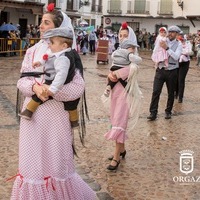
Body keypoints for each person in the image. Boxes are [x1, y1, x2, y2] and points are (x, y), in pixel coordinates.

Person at [10, 3, 96, 199]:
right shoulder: (32, 51)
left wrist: (52, 91)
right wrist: (35, 88)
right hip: (33, 119)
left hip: (57, 118)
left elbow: (77, 88)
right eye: (41, 22)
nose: (40, 26)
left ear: (58, 28)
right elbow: (22, 80)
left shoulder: (69, 54)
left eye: (46, 22)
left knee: (57, 164)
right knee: (32, 164)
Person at [18, 27, 79, 128]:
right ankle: (28, 111)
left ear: (63, 46)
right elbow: (47, 56)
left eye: (52, 43)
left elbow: (61, 76)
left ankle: (29, 111)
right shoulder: (56, 52)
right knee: (69, 104)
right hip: (51, 78)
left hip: (58, 80)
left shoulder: (63, 58)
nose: (49, 45)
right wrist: (40, 62)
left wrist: (53, 88)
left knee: (67, 103)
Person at [104, 38, 143, 171]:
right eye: (130, 47)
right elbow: (111, 75)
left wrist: (112, 74)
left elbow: (116, 74)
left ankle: (116, 157)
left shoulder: (132, 67)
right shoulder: (119, 63)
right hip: (115, 96)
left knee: (119, 124)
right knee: (116, 121)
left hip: (124, 98)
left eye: (133, 48)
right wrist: (110, 74)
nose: (132, 50)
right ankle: (122, 149)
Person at [147, 25, 182, 121]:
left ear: (176, 34)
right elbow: (156, 50)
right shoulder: (162, 40)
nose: (170, 34)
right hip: (160, 70)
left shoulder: (179, 44)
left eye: (173, 32)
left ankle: (168, 111)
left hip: (172, 71)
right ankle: (153, 112)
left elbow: (176, 57)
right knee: (156, 91)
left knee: (171, 93)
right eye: (169, 32)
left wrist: (167, 48)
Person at [176, 35, 190, 103]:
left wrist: (182, 52)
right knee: (175, 79)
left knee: (181, 79)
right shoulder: (176, 44)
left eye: (182, 40)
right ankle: (176, 93)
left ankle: (180, 97)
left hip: (185, 63)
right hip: (177, 62)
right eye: (179, 40)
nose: (181, 41)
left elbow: (188, 52)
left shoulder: (187, 44)